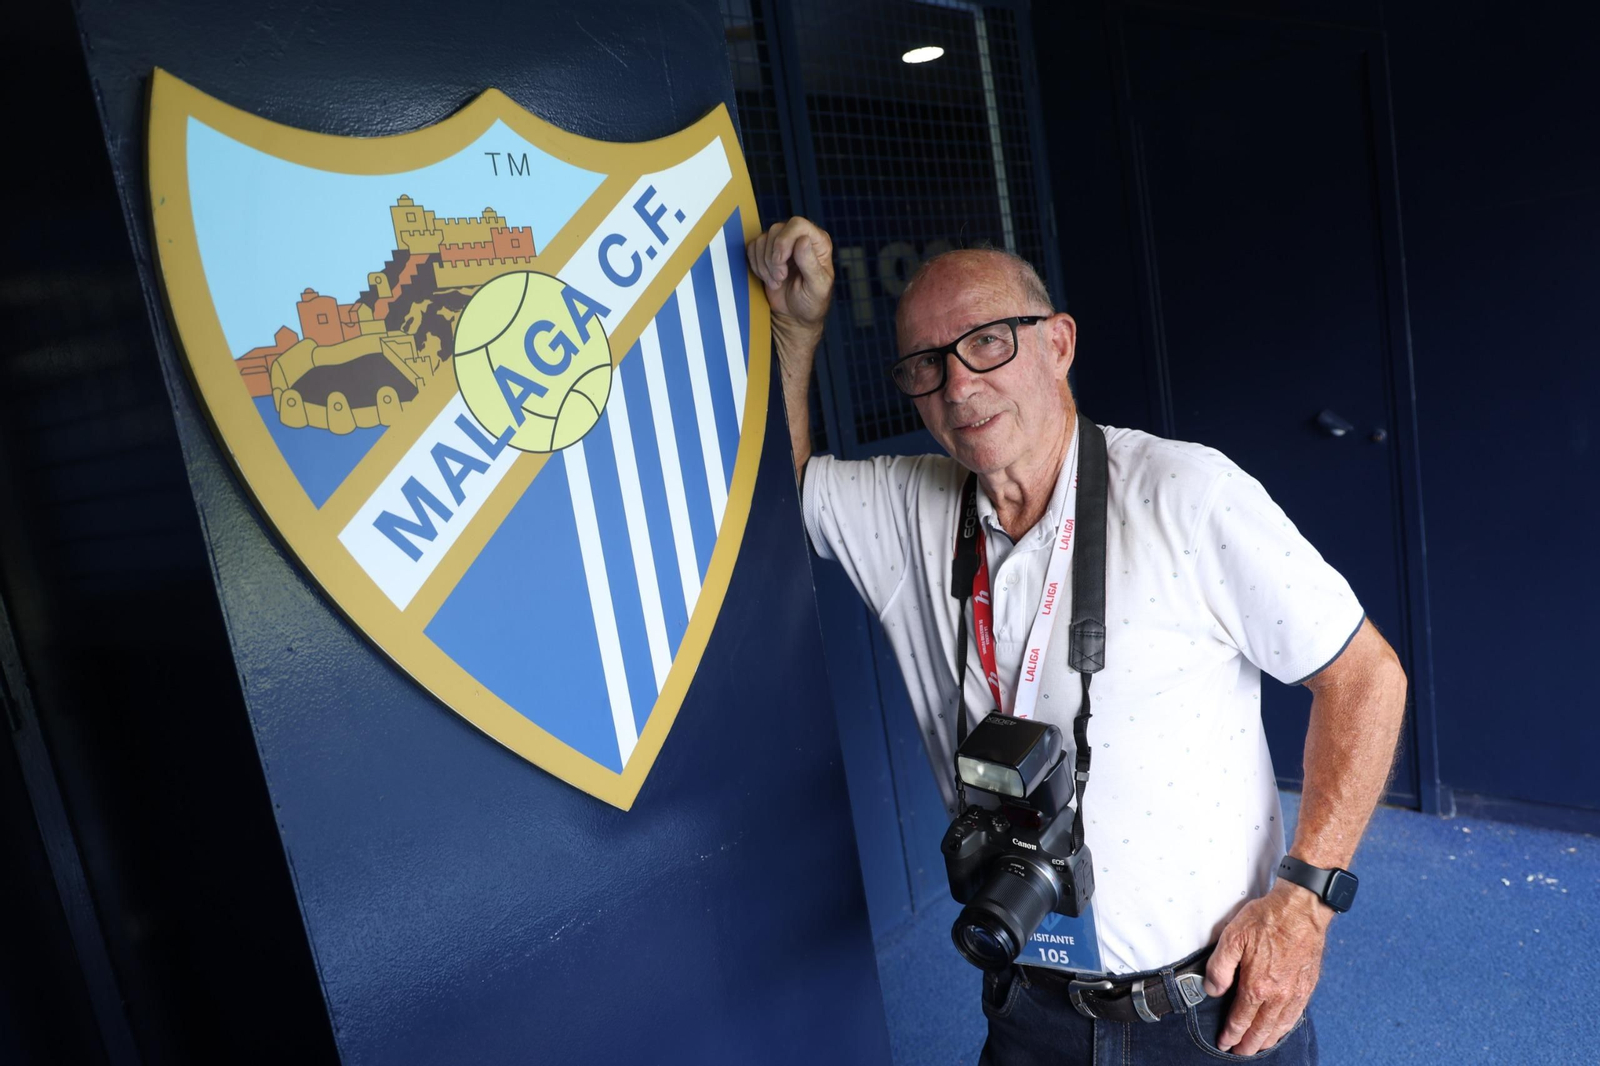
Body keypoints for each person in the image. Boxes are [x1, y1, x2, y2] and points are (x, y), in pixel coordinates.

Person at [747, 217, 1409, 1064]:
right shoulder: (908, 507)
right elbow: (775, 487)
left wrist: (1306, 901)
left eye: (987, 342)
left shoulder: (1186, 493)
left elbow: (1366, 678)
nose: (957, 386)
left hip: (1211, 1011)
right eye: (926, 364)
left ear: (1058, 344)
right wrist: (795, 328)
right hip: (1026, 1003)